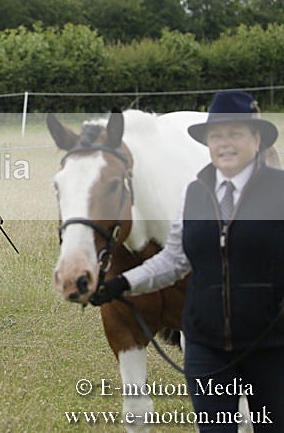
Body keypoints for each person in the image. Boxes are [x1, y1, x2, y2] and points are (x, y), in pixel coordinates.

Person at [91, 90, 284, 431]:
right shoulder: (195, 192)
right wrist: (123, 283)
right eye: (216, 135)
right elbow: (176, 259)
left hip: (269, 344)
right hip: (205, 344)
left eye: (235, 134)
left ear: (256, 140)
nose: (225, 143)